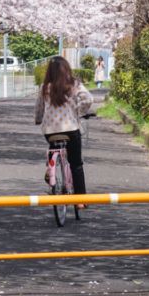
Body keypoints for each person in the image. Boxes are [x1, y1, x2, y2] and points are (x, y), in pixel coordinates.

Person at [35, 56, 92, 204]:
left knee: (54, 146)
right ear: (66, 70)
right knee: (76, 164)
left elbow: (39, 108)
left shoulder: (44, 87)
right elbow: (88, 99)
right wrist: (80, 110)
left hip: (50, 131)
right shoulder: (74, 85)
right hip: (70, 129)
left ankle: (50, 166)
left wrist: (39, 119)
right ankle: (80, 201)